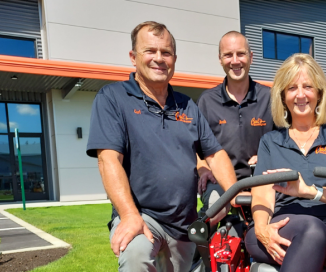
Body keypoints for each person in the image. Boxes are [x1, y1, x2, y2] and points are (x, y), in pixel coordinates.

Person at [86, 21, 238, 272]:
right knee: (136, 256)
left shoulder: (187, 105)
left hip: (183, 225)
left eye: (166, 52)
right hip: (141, 216)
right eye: (150, 51)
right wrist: (129, 215)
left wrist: (232, 197)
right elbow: (108, 160)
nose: (159, 58)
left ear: (174, 59)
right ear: (133, 57)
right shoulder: (112, 98)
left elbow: (215, 154)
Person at [244, 53, 326, 272]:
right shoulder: (271, 142)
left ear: (319, 94)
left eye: (308, 87)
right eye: (292, 88)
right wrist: (263, 230)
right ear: (283, 96)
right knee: (312, 229)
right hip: (288, 226)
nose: (301, 95)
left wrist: (310, 191)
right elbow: (262, 194)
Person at [196, 31, 273, 225]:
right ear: (220, 59)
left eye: (241, 54)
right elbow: (196, 149)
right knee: (215, 211)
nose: (235, 61)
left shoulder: (270, 98)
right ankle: (195, 254)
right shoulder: (207, 101)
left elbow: (286, 140)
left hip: (262, 181)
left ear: (251, 57)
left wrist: (268, 156)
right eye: (228, 55)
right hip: (219, 184)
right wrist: (203, 169)